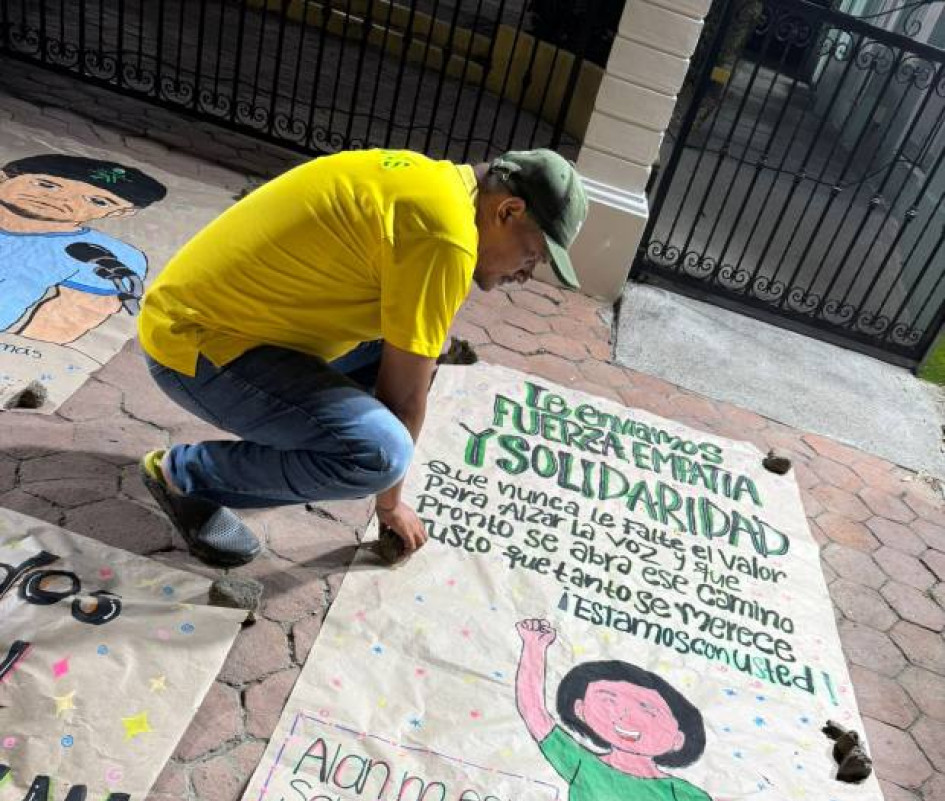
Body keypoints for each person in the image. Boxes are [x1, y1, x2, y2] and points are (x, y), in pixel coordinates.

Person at [136, 148, 587, 567]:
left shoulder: (439, 183)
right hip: (194, 347)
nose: (526, 275)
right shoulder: (445, 237)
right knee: (379, 457)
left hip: (208, 318)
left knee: (422, 350)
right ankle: (181, 476)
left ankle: (287, 450)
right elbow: (403, 401)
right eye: (533, 256)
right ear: (508, 211)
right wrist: (389, 506)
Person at [515, 618, 731, 801]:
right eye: (608, 701)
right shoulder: (583, 766)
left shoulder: (691, 797)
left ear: (678, 738)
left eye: (648, 710)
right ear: (580, 709)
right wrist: (534, 647)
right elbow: (534, 713)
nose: (625, 716)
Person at [0, 155, 166, 343]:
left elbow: (66, 323)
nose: (61, 199)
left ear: (122, 211)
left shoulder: (102, 255)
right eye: (46, 185)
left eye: (98, 201)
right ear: (3, 177)